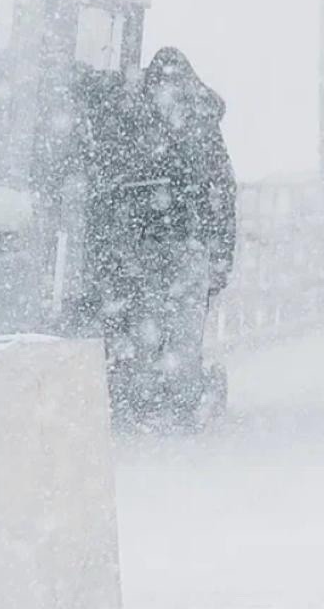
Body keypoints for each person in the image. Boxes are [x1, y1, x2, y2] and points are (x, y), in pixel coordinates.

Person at [100, 48, 236, 428]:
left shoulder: (139, 122)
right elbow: (222, 192)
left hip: (152, 245)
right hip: (179, 245)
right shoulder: (199, 125)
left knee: (154, 327)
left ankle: (157, 402)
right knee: (177, 331)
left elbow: (220, 192)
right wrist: (221, 252)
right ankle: (176, 401)